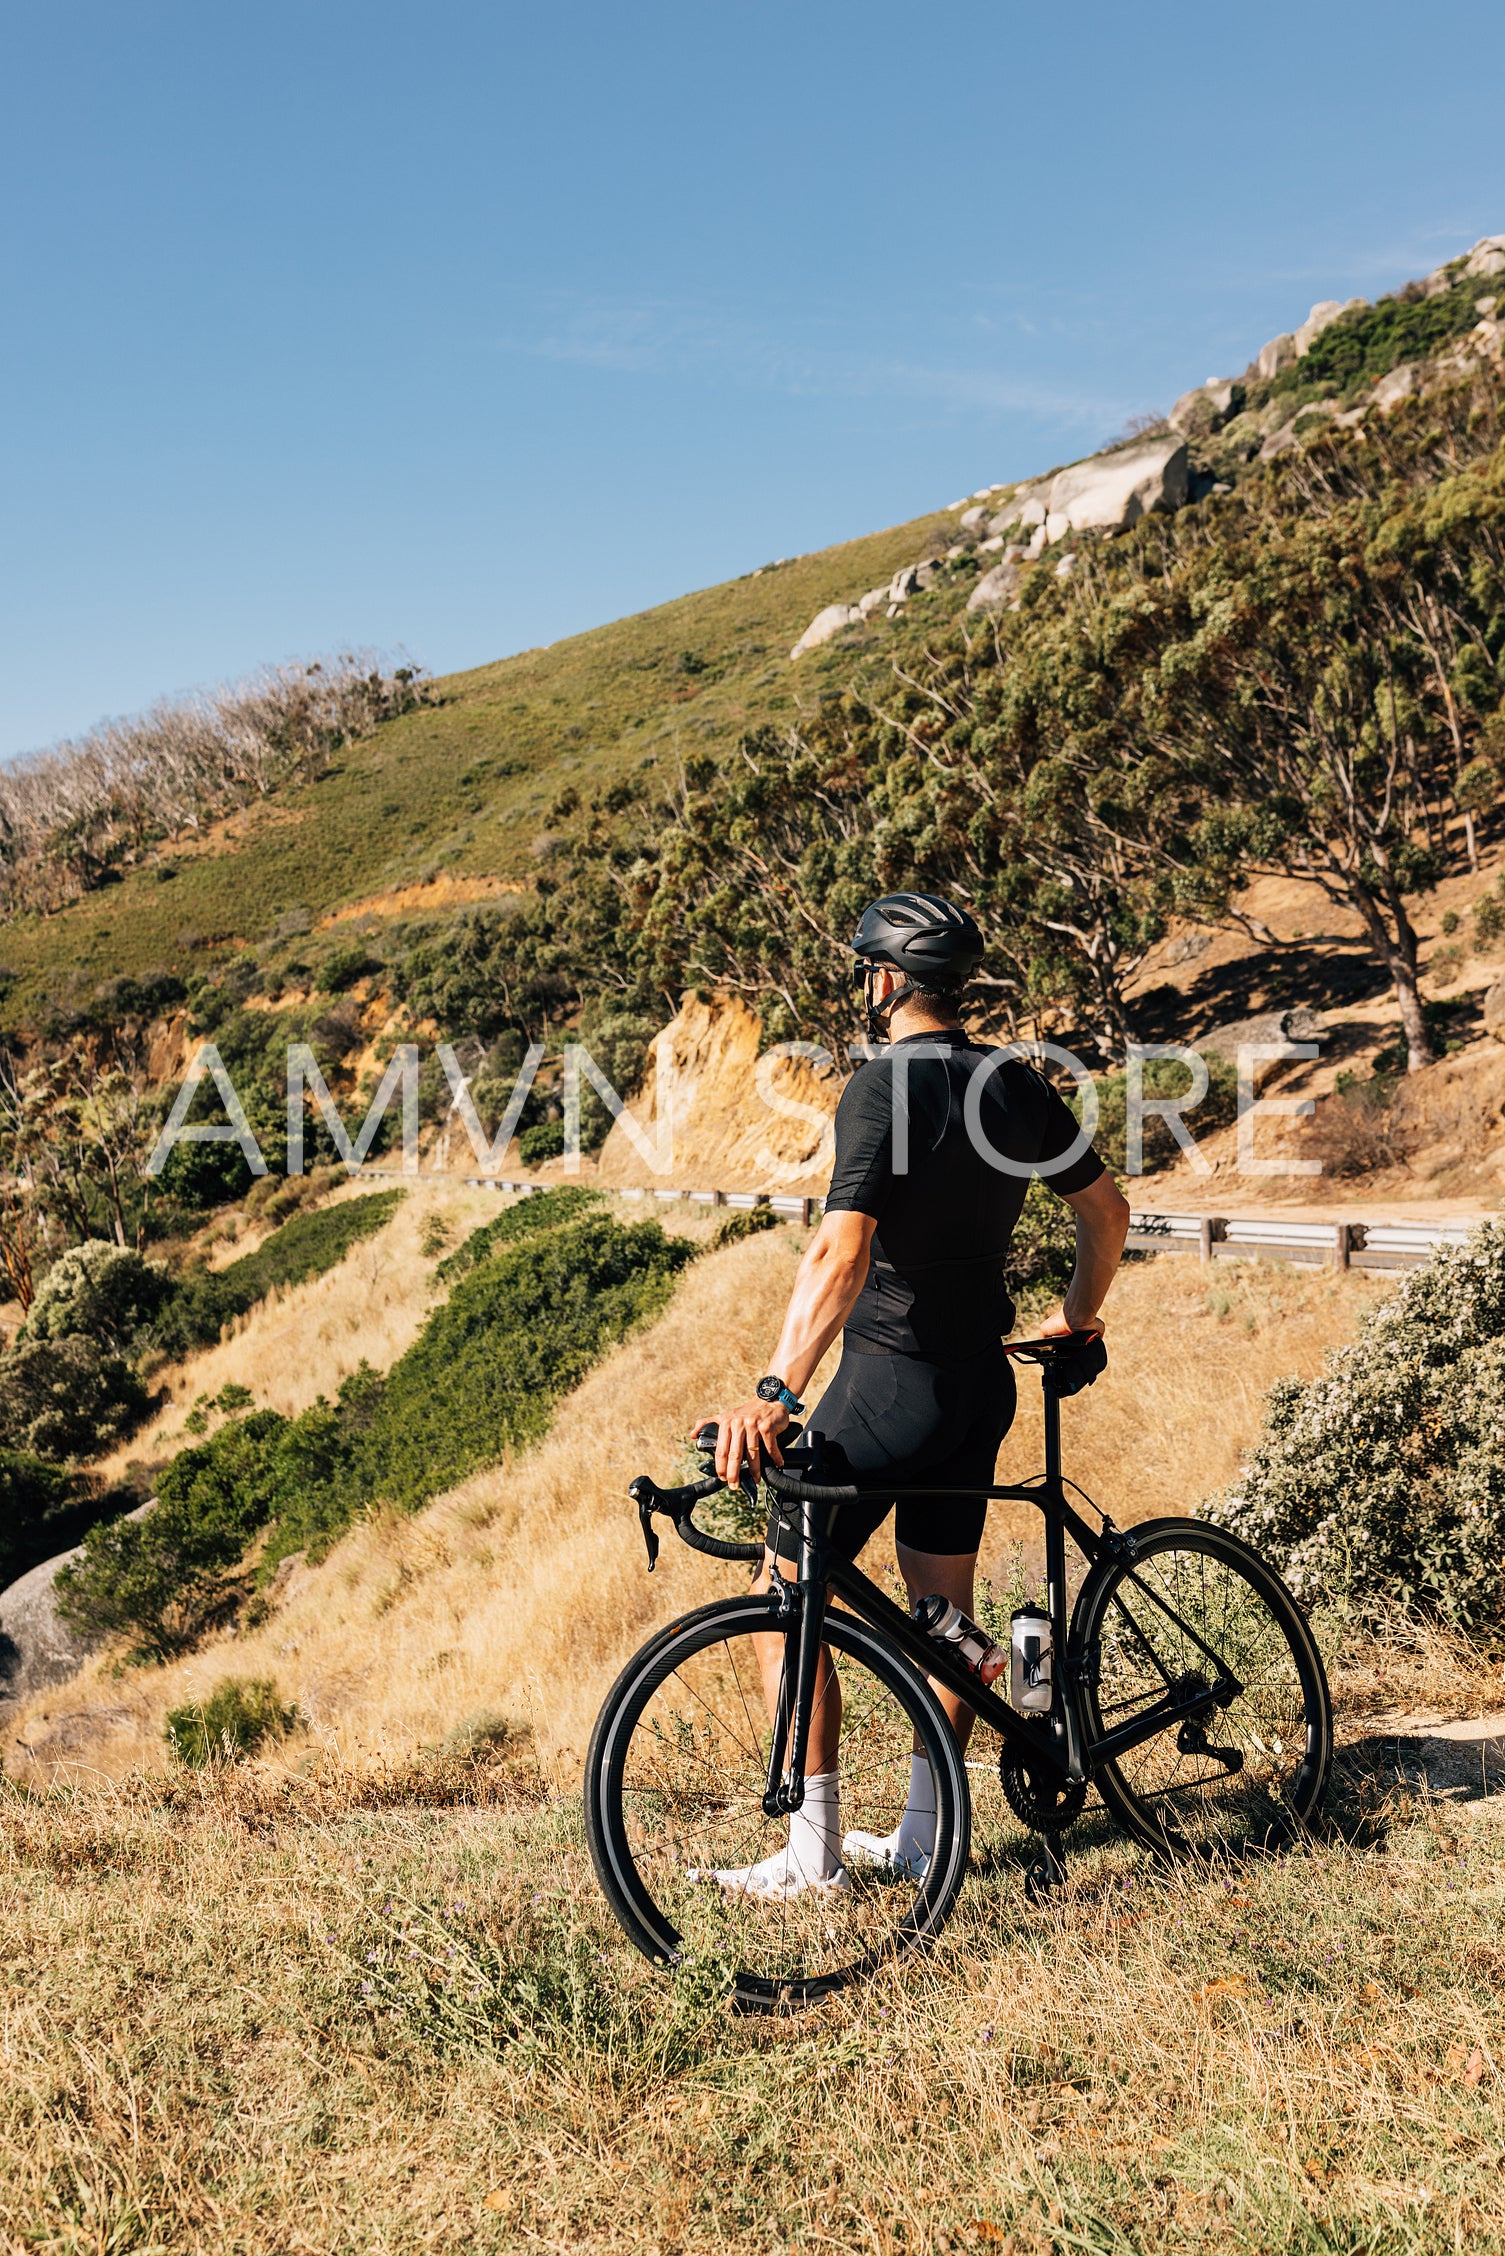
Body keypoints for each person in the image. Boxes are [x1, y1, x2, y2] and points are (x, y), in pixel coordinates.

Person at [693, 891, 1129, 1899]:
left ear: (884, 980)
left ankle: (812, 1856)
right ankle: (933, 1833)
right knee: (940, 1613)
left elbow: (838, 1249)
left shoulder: (880, 1087)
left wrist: (775, 1390)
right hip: (978, 1389)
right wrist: (1074, 1316)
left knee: (781, 1603)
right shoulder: (1012, 1083)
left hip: (888, 1388)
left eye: (862, 969)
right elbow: (1103, 1213)